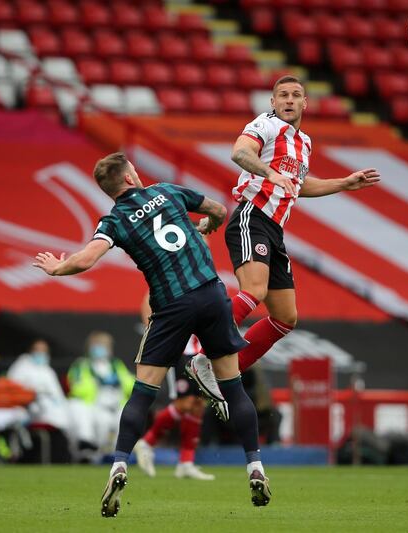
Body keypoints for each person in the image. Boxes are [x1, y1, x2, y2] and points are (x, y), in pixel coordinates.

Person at [32, 152, 271, 518]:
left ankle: (120, 465)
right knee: (233, 386)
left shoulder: (114, 221)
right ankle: (255, 467)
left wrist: (57, 267)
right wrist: (206, 224)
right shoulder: (169, 191)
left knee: (143, 393)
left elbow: (85, 259)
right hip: (210, 294)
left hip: (170, 308)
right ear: (129, 177)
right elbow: (220, 210)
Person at [188, 74, 380, 392]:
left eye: (295, 95)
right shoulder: (265, 124)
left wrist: (343, 183)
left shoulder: (304, 142)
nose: (289, 100)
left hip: (274, 229)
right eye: (283, 95)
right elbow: (240, 153)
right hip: (252, 216)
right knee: (255, 290)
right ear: (273, 103)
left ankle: (219, 371)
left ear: (305, 102)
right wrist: (269, 173)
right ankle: (202, 352)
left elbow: (299, 186)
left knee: (285, 317)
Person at [133, 292, 215, 481]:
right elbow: (147, 301)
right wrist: (153, 331)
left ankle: (186, 462)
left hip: (199, 352)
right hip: (178, 351)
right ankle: (147, 442)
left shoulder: (199, 283)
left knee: (198, 406)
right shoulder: (170, 282)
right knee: (185, 403)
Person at [67, 331, 135, 456]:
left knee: (124, 422)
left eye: (104, 345)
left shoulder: (116, 364)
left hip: (115, 404)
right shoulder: (82, 364)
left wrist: (118, 381)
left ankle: (118, 458)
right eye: (97, 345)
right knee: (100, 425)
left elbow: (130, 384)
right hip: (93, 404)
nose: (100, 349)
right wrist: (96, 382)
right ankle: (89, 456)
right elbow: (75, 387)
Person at [6, 339, 70, 434]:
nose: (40, 353)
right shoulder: (22, 365)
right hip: (27, 405)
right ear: (31, 351)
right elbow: (12, 386)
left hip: (49, 406)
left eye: (43, 351)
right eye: (37, 350)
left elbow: (57, 394)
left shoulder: (48, 371)